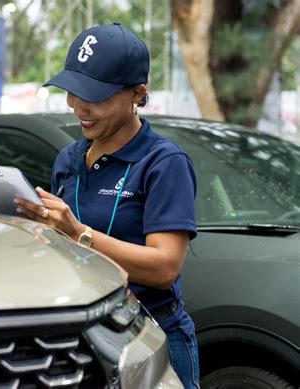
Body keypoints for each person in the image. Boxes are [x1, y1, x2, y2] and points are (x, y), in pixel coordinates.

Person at [14, 23, 199, 388]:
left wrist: (77, 233)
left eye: (94, 96)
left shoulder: (163, 163)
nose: (78, 106)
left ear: (138, 93)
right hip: (79, 337)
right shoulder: (68, 159)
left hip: (151, 336)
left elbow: (164, 268)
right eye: (71, 91)